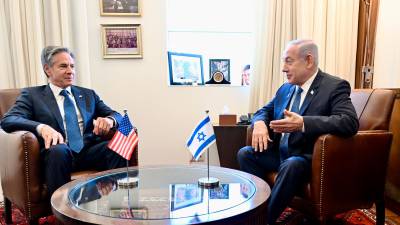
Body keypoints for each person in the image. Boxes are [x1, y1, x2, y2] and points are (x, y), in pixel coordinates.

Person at [237, 39, 359, 224]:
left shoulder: (334, 86)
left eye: (289, 61)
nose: (283, 68)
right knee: (245, 154)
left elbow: (349, 122)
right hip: (282, 154)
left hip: (308, 159)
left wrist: (303, 123)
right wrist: (260, 124)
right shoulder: (286, 89)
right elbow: (264, 111)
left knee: (292, 164)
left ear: (308, 60)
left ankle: (264, 220)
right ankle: (260, 208)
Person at [0, 46, 126, 197]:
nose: (70, 71)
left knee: (117, 145)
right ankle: (62, 213)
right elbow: (8, 120)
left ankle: (117, 200)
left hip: (87, 152)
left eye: (72, 66)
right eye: (63, 66)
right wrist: (41, 128)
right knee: (59, 150)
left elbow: (117, 115)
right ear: (48, 70)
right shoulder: (32, 95)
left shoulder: (87, 94)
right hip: (56, 155)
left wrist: (109, 120)